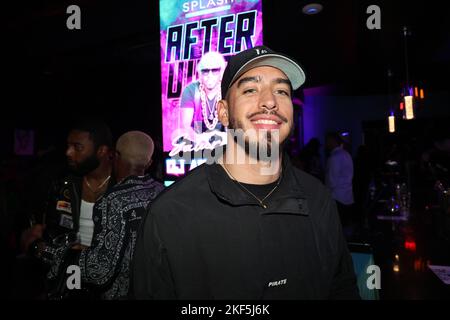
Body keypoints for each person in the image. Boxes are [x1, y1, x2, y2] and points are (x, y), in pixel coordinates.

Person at [132, 46, 359, 299]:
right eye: (251, 89)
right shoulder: (170, 214)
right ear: (224, 112)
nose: (270, 102)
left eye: (281, 91)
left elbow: (342, 288)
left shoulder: (318, 198)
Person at [48, 131, 164, 299]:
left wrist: (53, 253)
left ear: (116, 156)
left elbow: (99, 271)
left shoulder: (112, 200)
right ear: (149, 162)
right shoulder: (162, 192)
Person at [18, 119, 114, 298]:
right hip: (69, 275)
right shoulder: (62, 185)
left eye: (77, 147)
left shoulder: (120, 188)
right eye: (68, 146)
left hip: (108, 283)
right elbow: (47, 232)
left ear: (102, 151)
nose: (68, 152)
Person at [180, 51, 226, 134]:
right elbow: (185, 126)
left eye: (215, 70)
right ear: (200, 73)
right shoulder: (190, 90)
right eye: (205, 71)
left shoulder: (228, 89)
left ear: (221, 72)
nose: (210, 75)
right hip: (197, 142)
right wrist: (199, 139)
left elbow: (236, 124)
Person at [325, 132, 355, 230]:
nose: (326, 143)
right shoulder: (346, 154)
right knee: (345, 227)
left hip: (337, 198)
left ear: (333, 141)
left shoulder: (335, 157)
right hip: (348, 196)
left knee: (337, 229)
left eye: (327, 141)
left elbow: (331, 181)